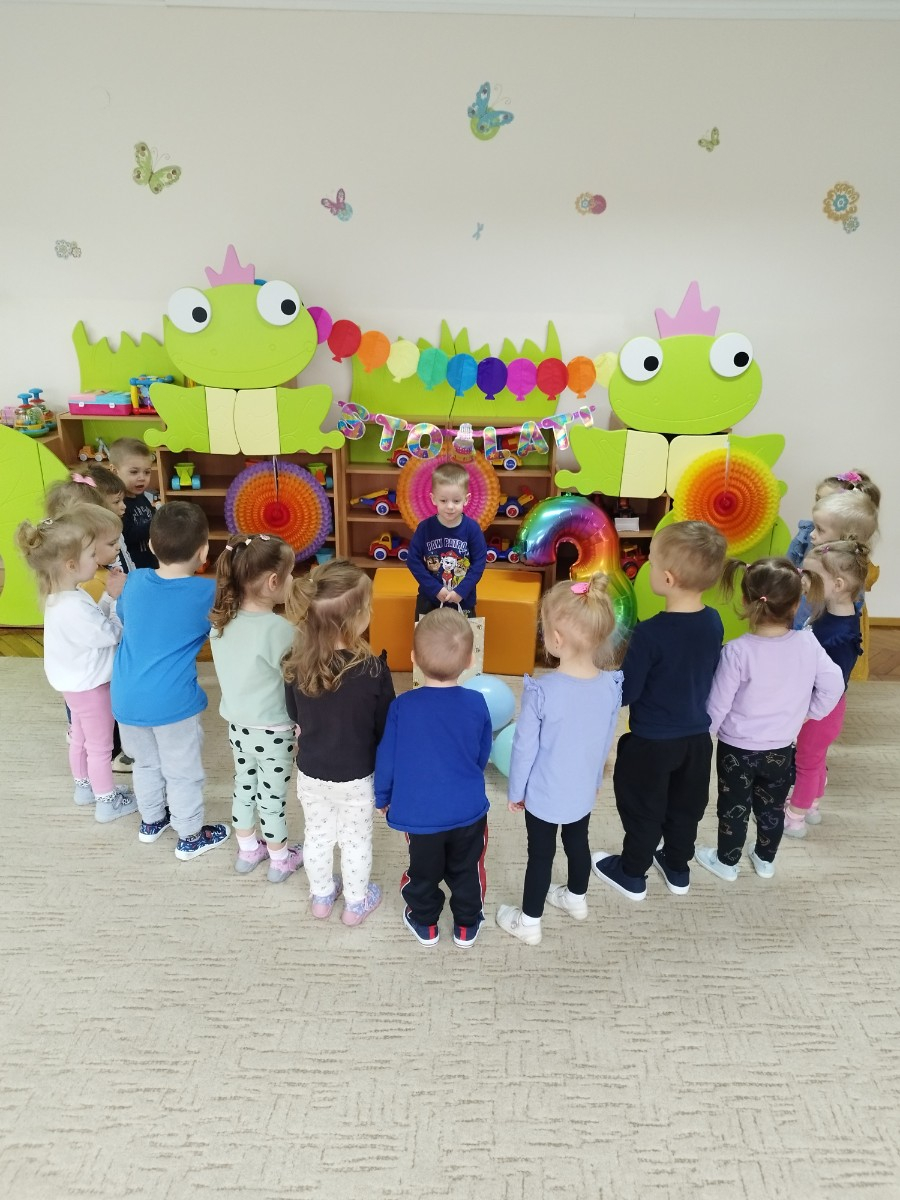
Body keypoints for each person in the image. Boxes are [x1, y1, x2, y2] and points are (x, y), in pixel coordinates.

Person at [592, 520, 727, 901]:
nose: (646, 565)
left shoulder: (648, 634)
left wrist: (601, 678)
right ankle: (678, 867)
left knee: (643, 808)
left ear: (667, 579)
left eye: (650, 560)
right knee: (686, 809)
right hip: (697, 742)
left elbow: (627, 692)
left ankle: (632, 872)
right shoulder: (713, 622)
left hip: (651, 743)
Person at [694, 557, 843, 882]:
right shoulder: (808, 643)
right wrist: (810, 714)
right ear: (796, 603)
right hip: (781, 747)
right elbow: (835, 684)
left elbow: (717, 704)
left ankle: (727, 862)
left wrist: (703, 738)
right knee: (771, 807)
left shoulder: (736, 652)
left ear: (745, 601)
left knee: (733, 805)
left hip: (736, 750)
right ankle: (765, 859)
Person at [496, 575, 623, 946]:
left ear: (555, 638)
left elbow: (524, 749)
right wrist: (596, 781)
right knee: (577, 843)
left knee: (541, 855)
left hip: (544, 794)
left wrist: (516, 791)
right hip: (582, 790)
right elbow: (606, 740)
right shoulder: (611, 685)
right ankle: (576, 899)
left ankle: (529, 922)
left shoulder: (542, 691)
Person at [111, 501, 230, 859]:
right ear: (204, 552)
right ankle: (190, 835)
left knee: (145, 763)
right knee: (182, 771)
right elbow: (224, 626)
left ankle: (151, 821)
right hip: (172, 702)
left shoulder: (135, 581)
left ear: (150, 545)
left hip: (126, 698)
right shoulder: (207, 593)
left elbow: (125, 614)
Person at [283, 559, 394, 924]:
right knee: (355, 839)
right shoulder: (374, 670)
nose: (372, 612)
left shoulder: (294, 664)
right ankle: (356, 904)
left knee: (316, 835)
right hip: (357, 777)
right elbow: (385, 727)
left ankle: (321, 897)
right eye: (368, 607)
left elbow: (294, 713)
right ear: (353, 620)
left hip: (311, 772)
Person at [375, 608, 492, 947]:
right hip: (468, 810)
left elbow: (387, 756)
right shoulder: (477, 703)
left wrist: (383, 796)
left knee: (423, 871)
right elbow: (481, 752)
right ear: (470, 660)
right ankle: (467, 925)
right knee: (466, 868)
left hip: (419, 815)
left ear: (413, 657)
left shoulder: (402, 706)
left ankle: (425, 922)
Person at [15, 507, 137, 821]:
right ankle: (107, 801)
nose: (96, 559)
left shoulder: (63, 597)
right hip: (93, 687)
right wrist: (118, 604)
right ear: (71, 564)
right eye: (90, 554)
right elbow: (110, 634)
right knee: (100, 746)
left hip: (74, 686)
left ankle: (85, 788)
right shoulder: (74, 607)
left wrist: (107, 598)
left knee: (80, 738)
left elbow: (94, 621)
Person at [210, 533, 303, 883]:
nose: (293, 580)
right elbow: (297, 678)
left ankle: (248, 850)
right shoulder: (280, 630)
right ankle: (280, 860)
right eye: (291, 574)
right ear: (273, 581)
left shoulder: (221, 623)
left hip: (237, 726)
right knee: (272, 797)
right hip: (274, 730)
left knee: (244, 787)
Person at [43, 475, 134, 771]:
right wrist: (116, 604)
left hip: (82, 677)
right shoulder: (88, 584)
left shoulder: (74, 588)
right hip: (90, 679)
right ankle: (102, 770)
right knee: (97, 734)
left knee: (85, 722)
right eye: (106, 544)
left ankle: (84, 744)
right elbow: (106, 632)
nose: (116, 547)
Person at [784, 540, 868, 836]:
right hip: (821, 707)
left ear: (838, 584)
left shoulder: (840, 635)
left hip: (821, 710)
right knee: (816, 758)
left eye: (810, 576)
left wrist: (810, 713)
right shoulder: (830, 614)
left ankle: (795, 817)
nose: (802, 581)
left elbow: (834, 685)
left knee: (806, 762)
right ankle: (813, 804)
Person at [406, 462, 487, 619]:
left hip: (463, 600)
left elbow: (479, 563)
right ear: (433, 499)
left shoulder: (472, 529)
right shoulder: (424, 528)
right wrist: (435, 589)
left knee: (462, 635)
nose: (450, 507)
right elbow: (413, 560)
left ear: (466, 499)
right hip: (429, 600)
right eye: (443, 501)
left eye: (456, 501)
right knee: (427, 634)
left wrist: (461, 591)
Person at [786, 470, 880, 567]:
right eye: (817, 499)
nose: (819, 505)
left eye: (827, 501)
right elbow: (788, 562)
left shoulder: (849, 563)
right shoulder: (806, 532)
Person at [108, 437, 159, 569]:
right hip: (134, 568)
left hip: (151, 562)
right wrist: (157, 523)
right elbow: (128, 535)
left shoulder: (141, 497)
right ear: (115, 471)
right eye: (134, 472)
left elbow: (150, 516)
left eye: (147, 472)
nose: (142, 478)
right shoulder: (118, 505)